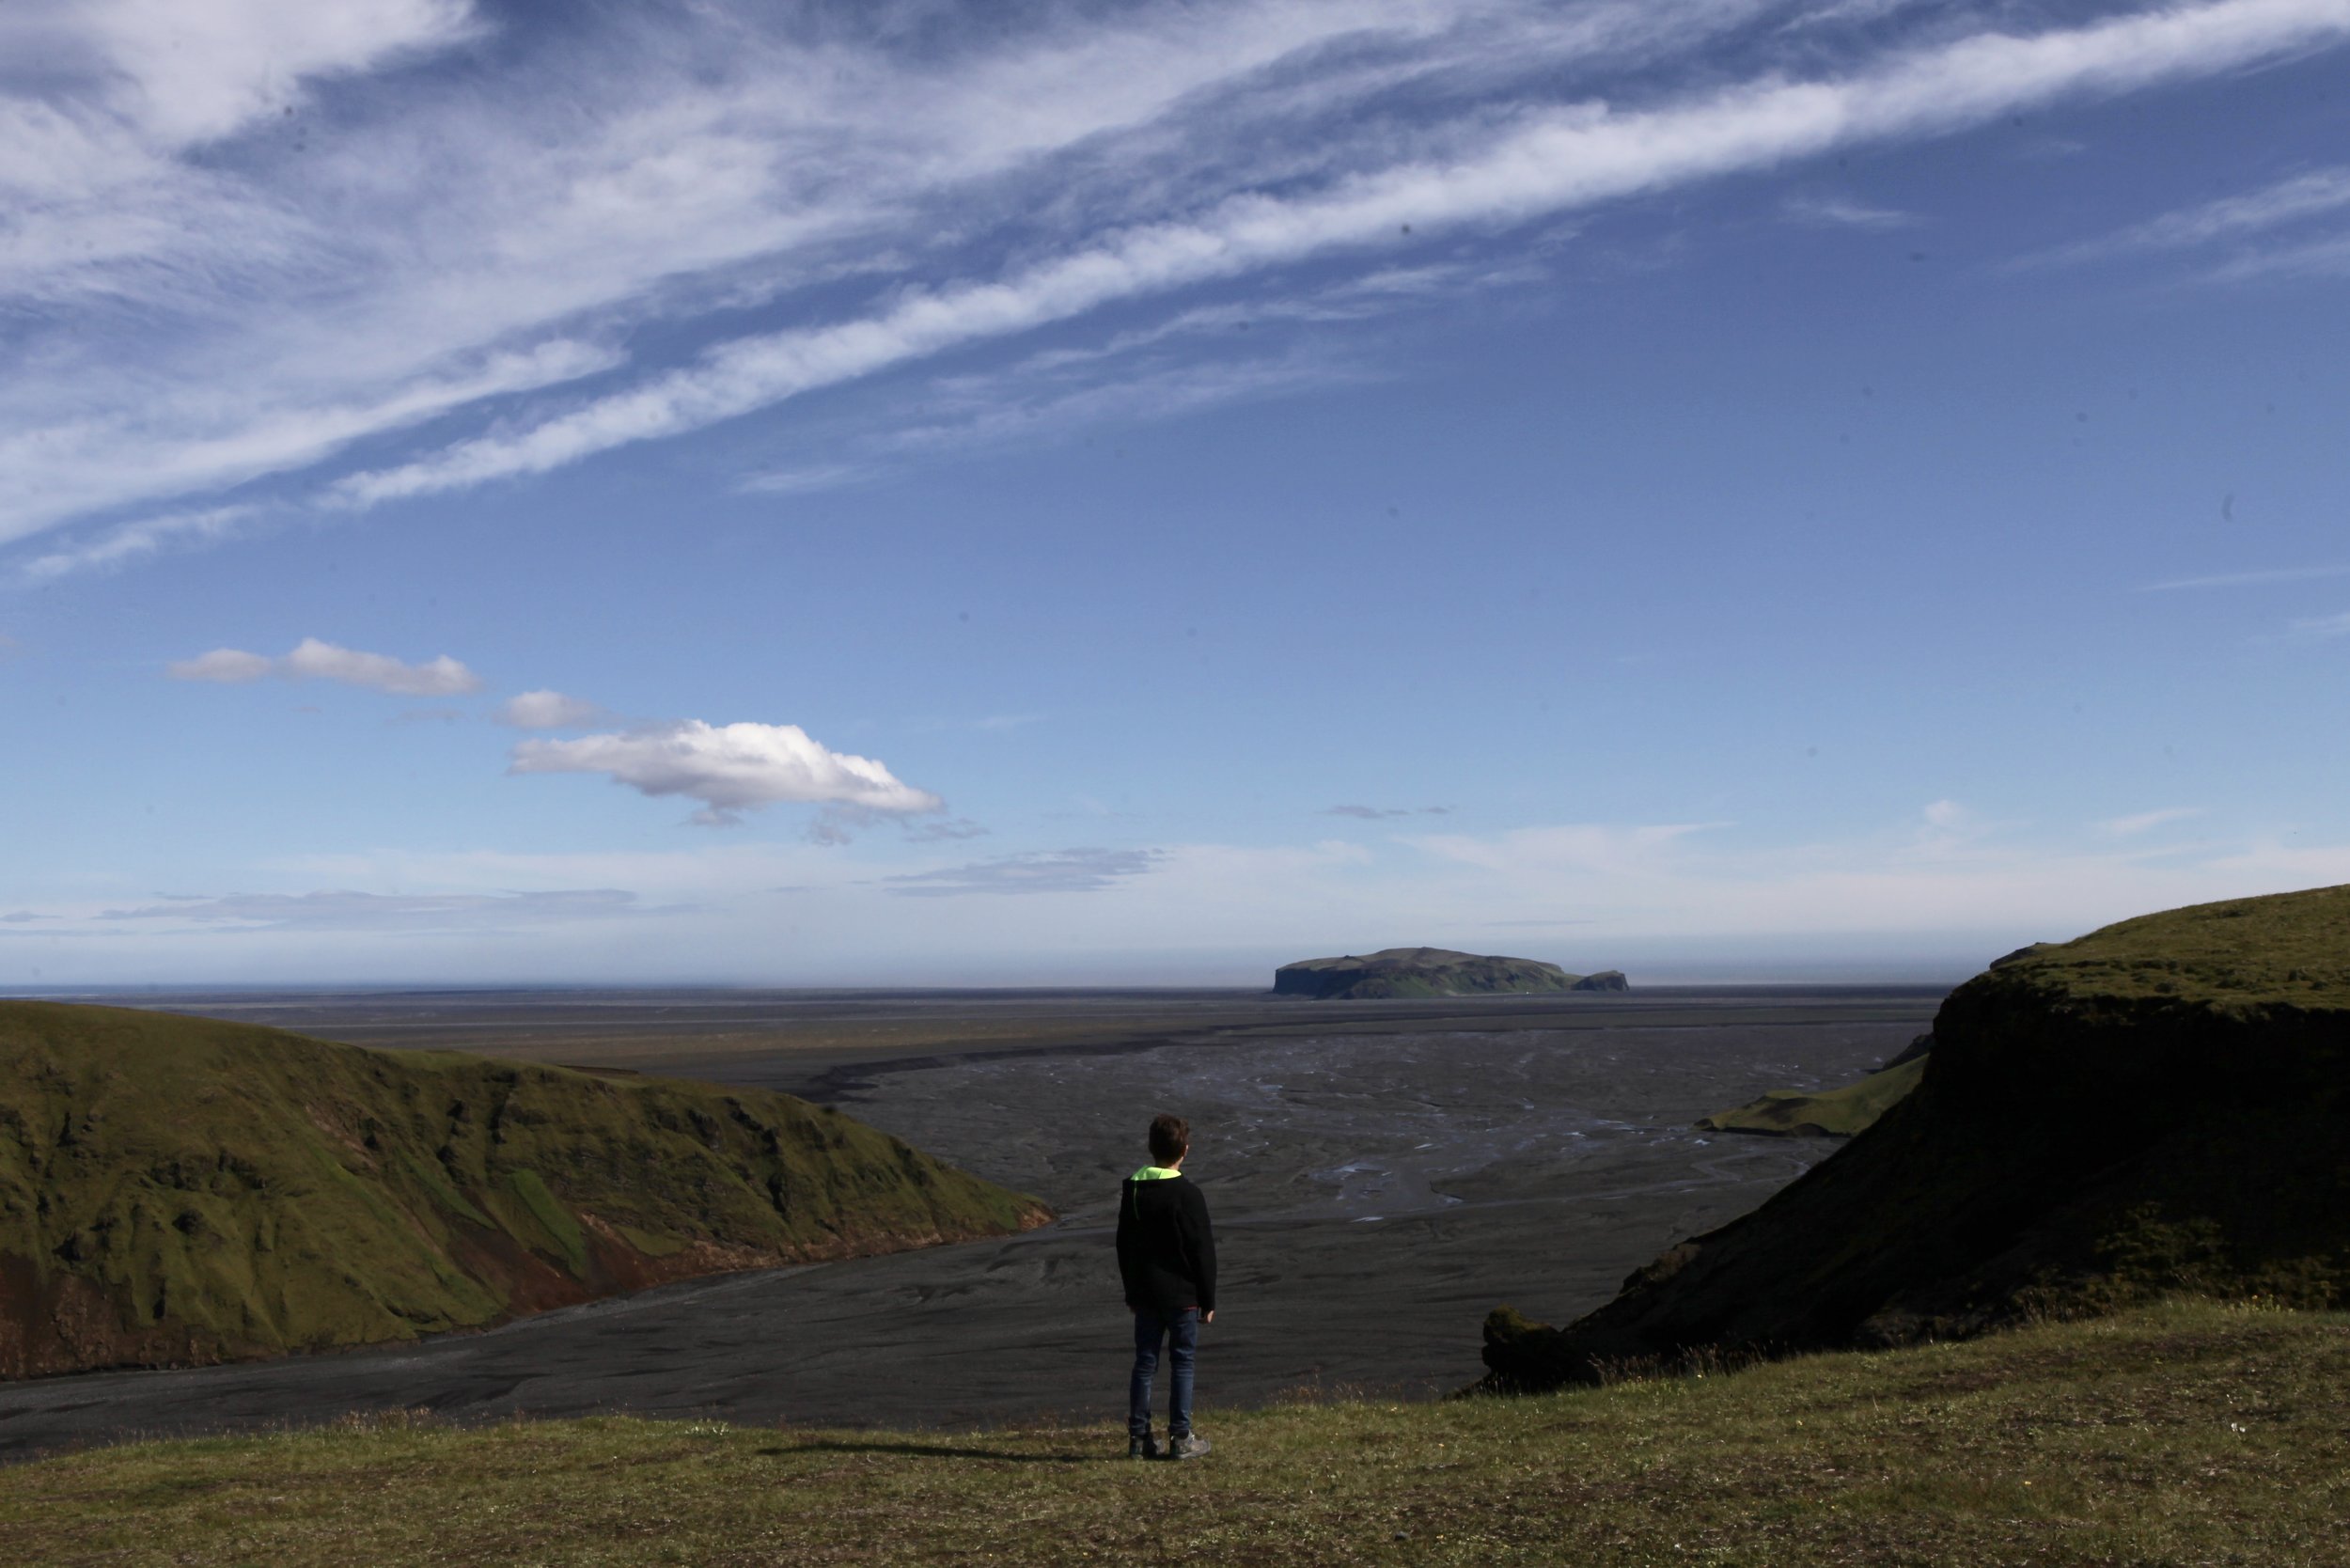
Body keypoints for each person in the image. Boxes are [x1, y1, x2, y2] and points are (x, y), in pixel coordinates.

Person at [1116, 1111, 1216, 1460]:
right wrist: (1208, 1297)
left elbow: (1123, 1244)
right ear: (1184, 1151)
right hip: (1182, 1294)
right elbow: (1202, 1249)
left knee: (1145, 1362)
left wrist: (1131, 1290)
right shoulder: (1187, 1194)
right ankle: (1181, 1437)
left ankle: (1138, 1439)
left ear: (1150, 1147)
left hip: (1144, 1293)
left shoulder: (1133, 1192)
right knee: (1182, 1362)